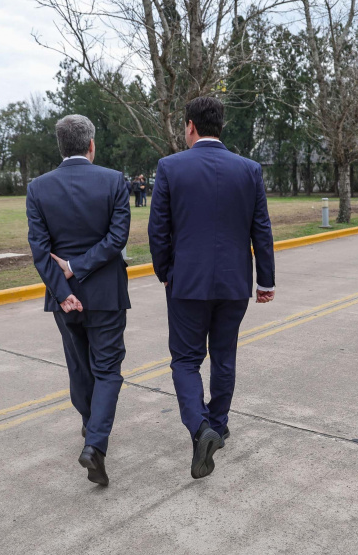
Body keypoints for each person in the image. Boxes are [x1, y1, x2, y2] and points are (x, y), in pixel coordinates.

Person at [148, 96, 276, 480]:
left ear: (190, 126)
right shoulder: (249, 169)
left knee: (186, 360)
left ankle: (200, 427)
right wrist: (265, 280)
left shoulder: (170, 167)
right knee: (224, 356)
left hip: (187, 282)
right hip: (235, 282)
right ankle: (217, 426)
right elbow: (262, 229)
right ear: (221, 126)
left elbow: (158, 230)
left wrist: (165, 272)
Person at [26, 114, 131, 487]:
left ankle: (90, 427)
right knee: (107, 370)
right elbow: (118, 238)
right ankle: (95, 443)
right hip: (105, 293)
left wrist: (64, 287)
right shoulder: (114, 181)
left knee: (79, 368)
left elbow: (39, 251)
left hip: (62, 299)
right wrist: (78, 267)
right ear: (91, 145)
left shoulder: (38, 187)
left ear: (61, 147)